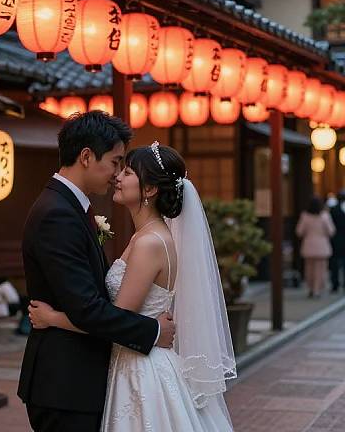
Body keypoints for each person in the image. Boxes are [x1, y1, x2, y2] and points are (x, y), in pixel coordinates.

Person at [29, 141, 236, 431]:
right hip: (134, 358)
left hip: (141, 368)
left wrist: (52, 319)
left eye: (126, 172)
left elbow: (115, 317)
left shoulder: (150, 243)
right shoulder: (146, 237)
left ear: (149, 189)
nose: (118, 177)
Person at [18, 112, 175, 432]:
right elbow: (87, 308)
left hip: (80, 379)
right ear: (87, 157)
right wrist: (153, 331)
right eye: (116, 162)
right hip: (65, 383)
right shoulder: (57, 214)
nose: (117, 174)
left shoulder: (71, 207)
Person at [296, 196, 336, 298]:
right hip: (322, 245)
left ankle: (311, 288)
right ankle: (317, 289)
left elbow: (299, 231)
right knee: (321, 269)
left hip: (309, 244)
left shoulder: (305, 216)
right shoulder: (325, 216)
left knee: (309, 269)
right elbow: (331, 231)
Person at [330, 189, 345, 293]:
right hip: (336, 239)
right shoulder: (333, 209)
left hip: (336, 239)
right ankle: (335, 283)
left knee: (335, 262)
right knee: (336, 262)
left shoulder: (333, 209)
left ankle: (336, 284)